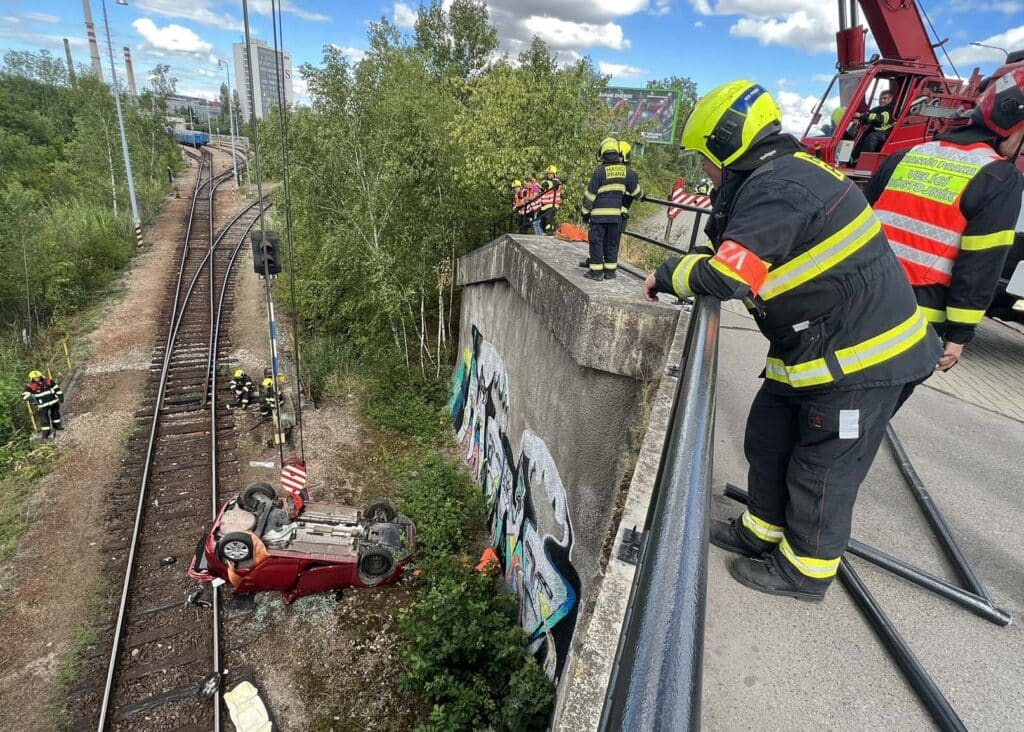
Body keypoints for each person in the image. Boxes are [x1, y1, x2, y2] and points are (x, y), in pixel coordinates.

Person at [643, 79, 940, 601]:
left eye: (705, 159)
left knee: (822, 468)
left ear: (727, 145)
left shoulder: (778, 189)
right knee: (768, 434)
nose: (706, 173)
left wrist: (668, 273)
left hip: (861, 361)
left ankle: (805, 570)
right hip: (812, 346)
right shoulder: (776, 177)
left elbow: (727, 277)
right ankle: (763, 531)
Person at [864, 68, 1024, 375]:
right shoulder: (1000, 177)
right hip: (912, 321)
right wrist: (960, 334)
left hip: (858, 295)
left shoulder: (907, 154)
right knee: (865, 410)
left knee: (831, 399)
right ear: (1010, 125)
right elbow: (980, 262)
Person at [582, 137, 641, 281]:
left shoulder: (599, 172)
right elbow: (637, 194)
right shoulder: (628, 172)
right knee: (612, 243)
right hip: (616, 217)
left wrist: (584, 213)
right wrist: (643, 195)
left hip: (598, 217)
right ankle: (610, 272)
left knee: (596, 242)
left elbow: (590, 196)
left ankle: (596, 272)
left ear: (602, 152)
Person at [852, 89, 895, 162]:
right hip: (875, 131)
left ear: (890, 99)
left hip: (885, 133)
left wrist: (865, 116)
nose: (882, 100)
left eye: (885, 98)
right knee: (859, 135)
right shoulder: (876, 109)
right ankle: (852, 159)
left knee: (872, 137)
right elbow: (866, 116)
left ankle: (864, 161)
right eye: (880, 98)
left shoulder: (891, 109)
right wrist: (858, 117)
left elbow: (881, 119)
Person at [23, 370, 64, 439]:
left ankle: (57, 426)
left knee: (56, 414)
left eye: (38, 377)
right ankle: (46, 432)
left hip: (53, 401)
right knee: (44, 418)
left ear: (40, 376)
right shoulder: (30, 386)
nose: (37, 378)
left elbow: (56, 388)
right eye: (35, 378)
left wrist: (60, 396)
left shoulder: (48, 381)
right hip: (42, 405)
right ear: (32, 378)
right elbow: (25, 395)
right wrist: (34, 401)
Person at [539, 165, 562, 235]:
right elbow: (542, 187)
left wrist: (545, 183)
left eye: (551, 173)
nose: (549, 175)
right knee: (542, 222)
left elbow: (552, 184)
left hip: (553, 204)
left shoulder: (557, 181)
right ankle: (545, 232)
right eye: (548, 173)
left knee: (549, 220)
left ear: (554, 174)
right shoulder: (545, 182)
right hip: (544, 206)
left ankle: (550, 233)